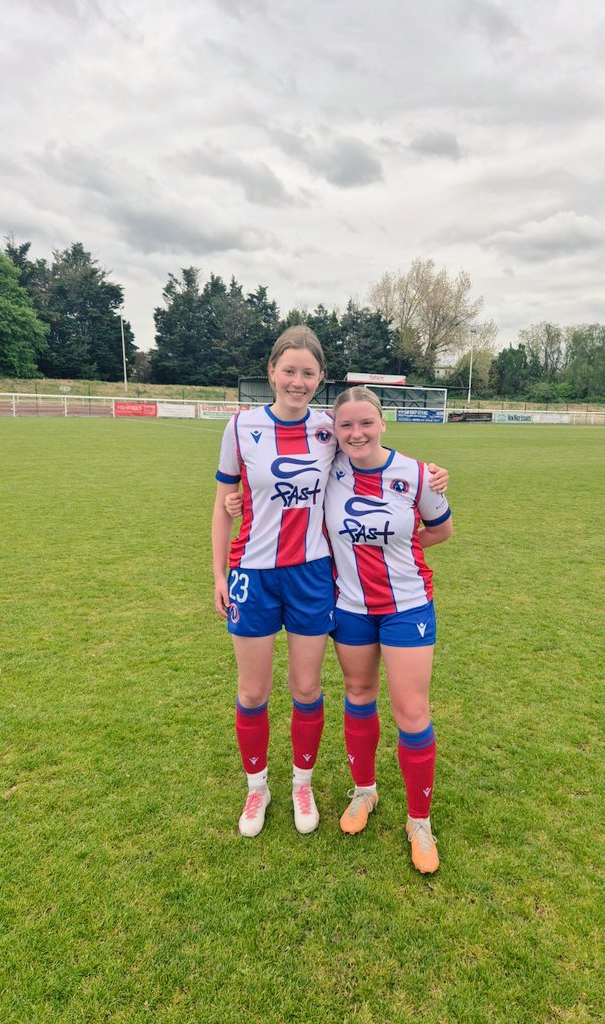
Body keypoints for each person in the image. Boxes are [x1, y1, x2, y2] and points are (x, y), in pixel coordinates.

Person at [212, 328, 448, 840]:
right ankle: (258, 788)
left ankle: (303, 783)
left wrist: (429, 475)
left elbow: (371, 447)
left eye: (308, 373)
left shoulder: (328, 429)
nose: (297, 381)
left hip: (314, 575)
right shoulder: (240, 426)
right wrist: (218, 574)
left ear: (320, 379)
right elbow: (224, 502)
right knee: (252, 690)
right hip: (251, 573)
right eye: (289, 370)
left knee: (307, 687)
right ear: (271, 371)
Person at [324, 386, 452, 874]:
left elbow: (442, 530)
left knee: (411, 710)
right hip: (351, 606)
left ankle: (419, 821)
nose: (356, 433)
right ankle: (365, 792)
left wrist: (398, 545)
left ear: (383, 423)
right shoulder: (327, 470)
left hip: (407, 606)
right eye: (346, 425)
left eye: (365, 423)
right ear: (335, 431)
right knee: (358, 694)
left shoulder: (417, 473)